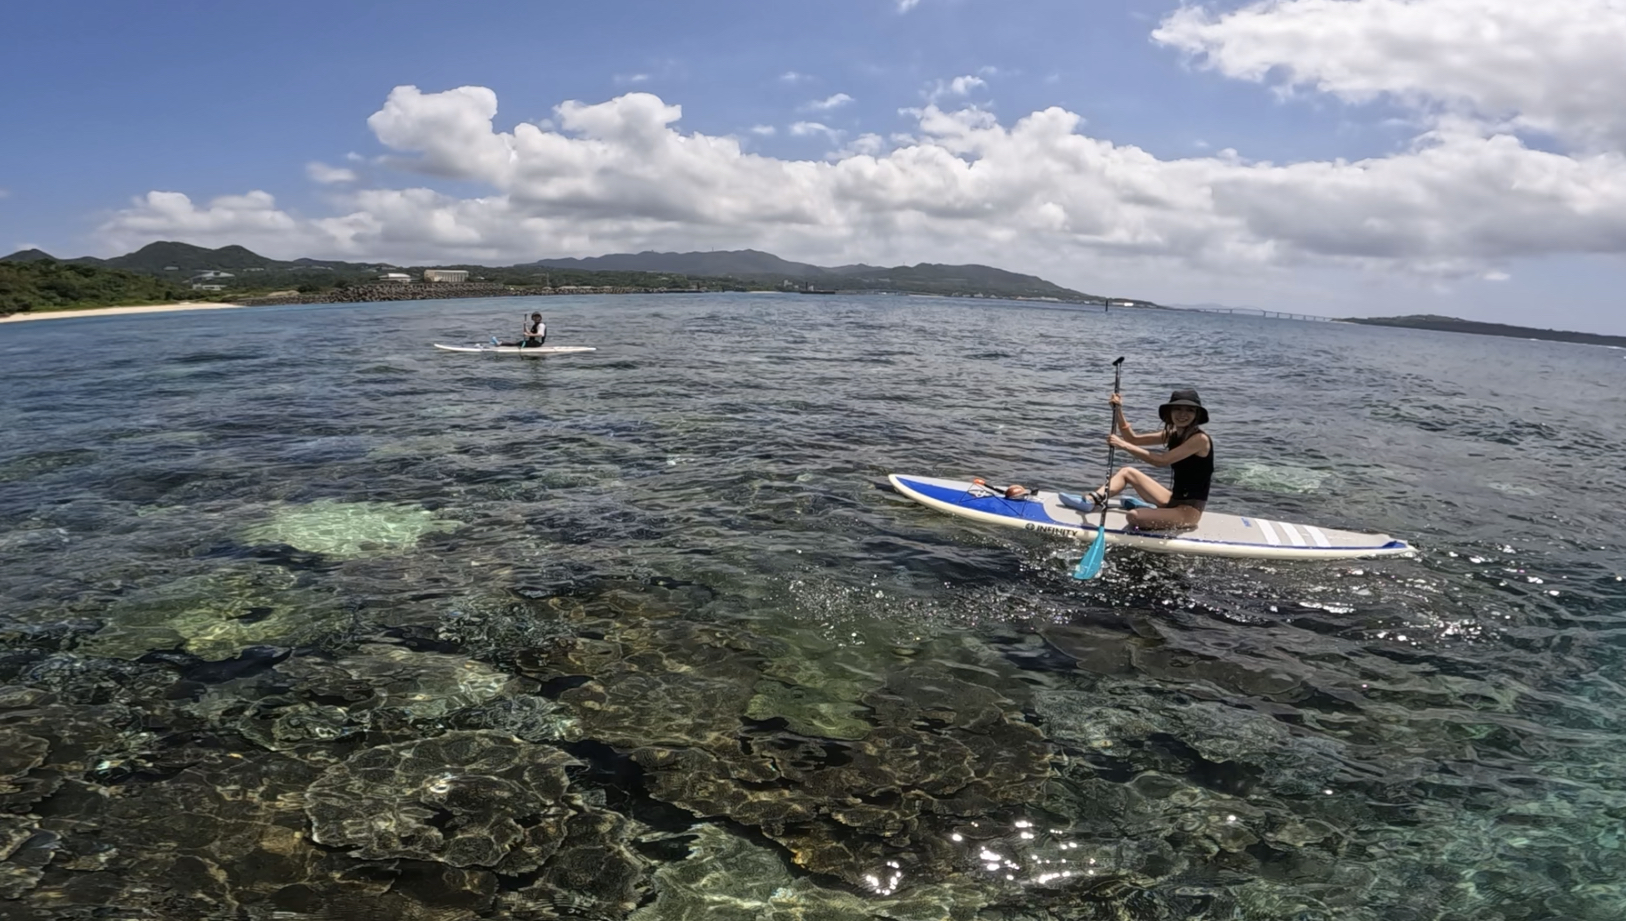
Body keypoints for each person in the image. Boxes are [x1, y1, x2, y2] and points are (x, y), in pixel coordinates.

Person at [1084, 388, 1213, 530]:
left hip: (1188, 512)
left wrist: (1123, 445)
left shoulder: (1200, 439)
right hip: (1172, 499)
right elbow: (1132, 439)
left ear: (1197, 414)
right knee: (1127, 472)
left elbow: (1161, 460)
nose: (1183, 414)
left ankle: (1148, 509)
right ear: (1170, 413)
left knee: (1134, 516)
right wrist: (1118, 410)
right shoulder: (1173, 434)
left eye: (1190, 410)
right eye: (1177, 409)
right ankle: (1092, 500)